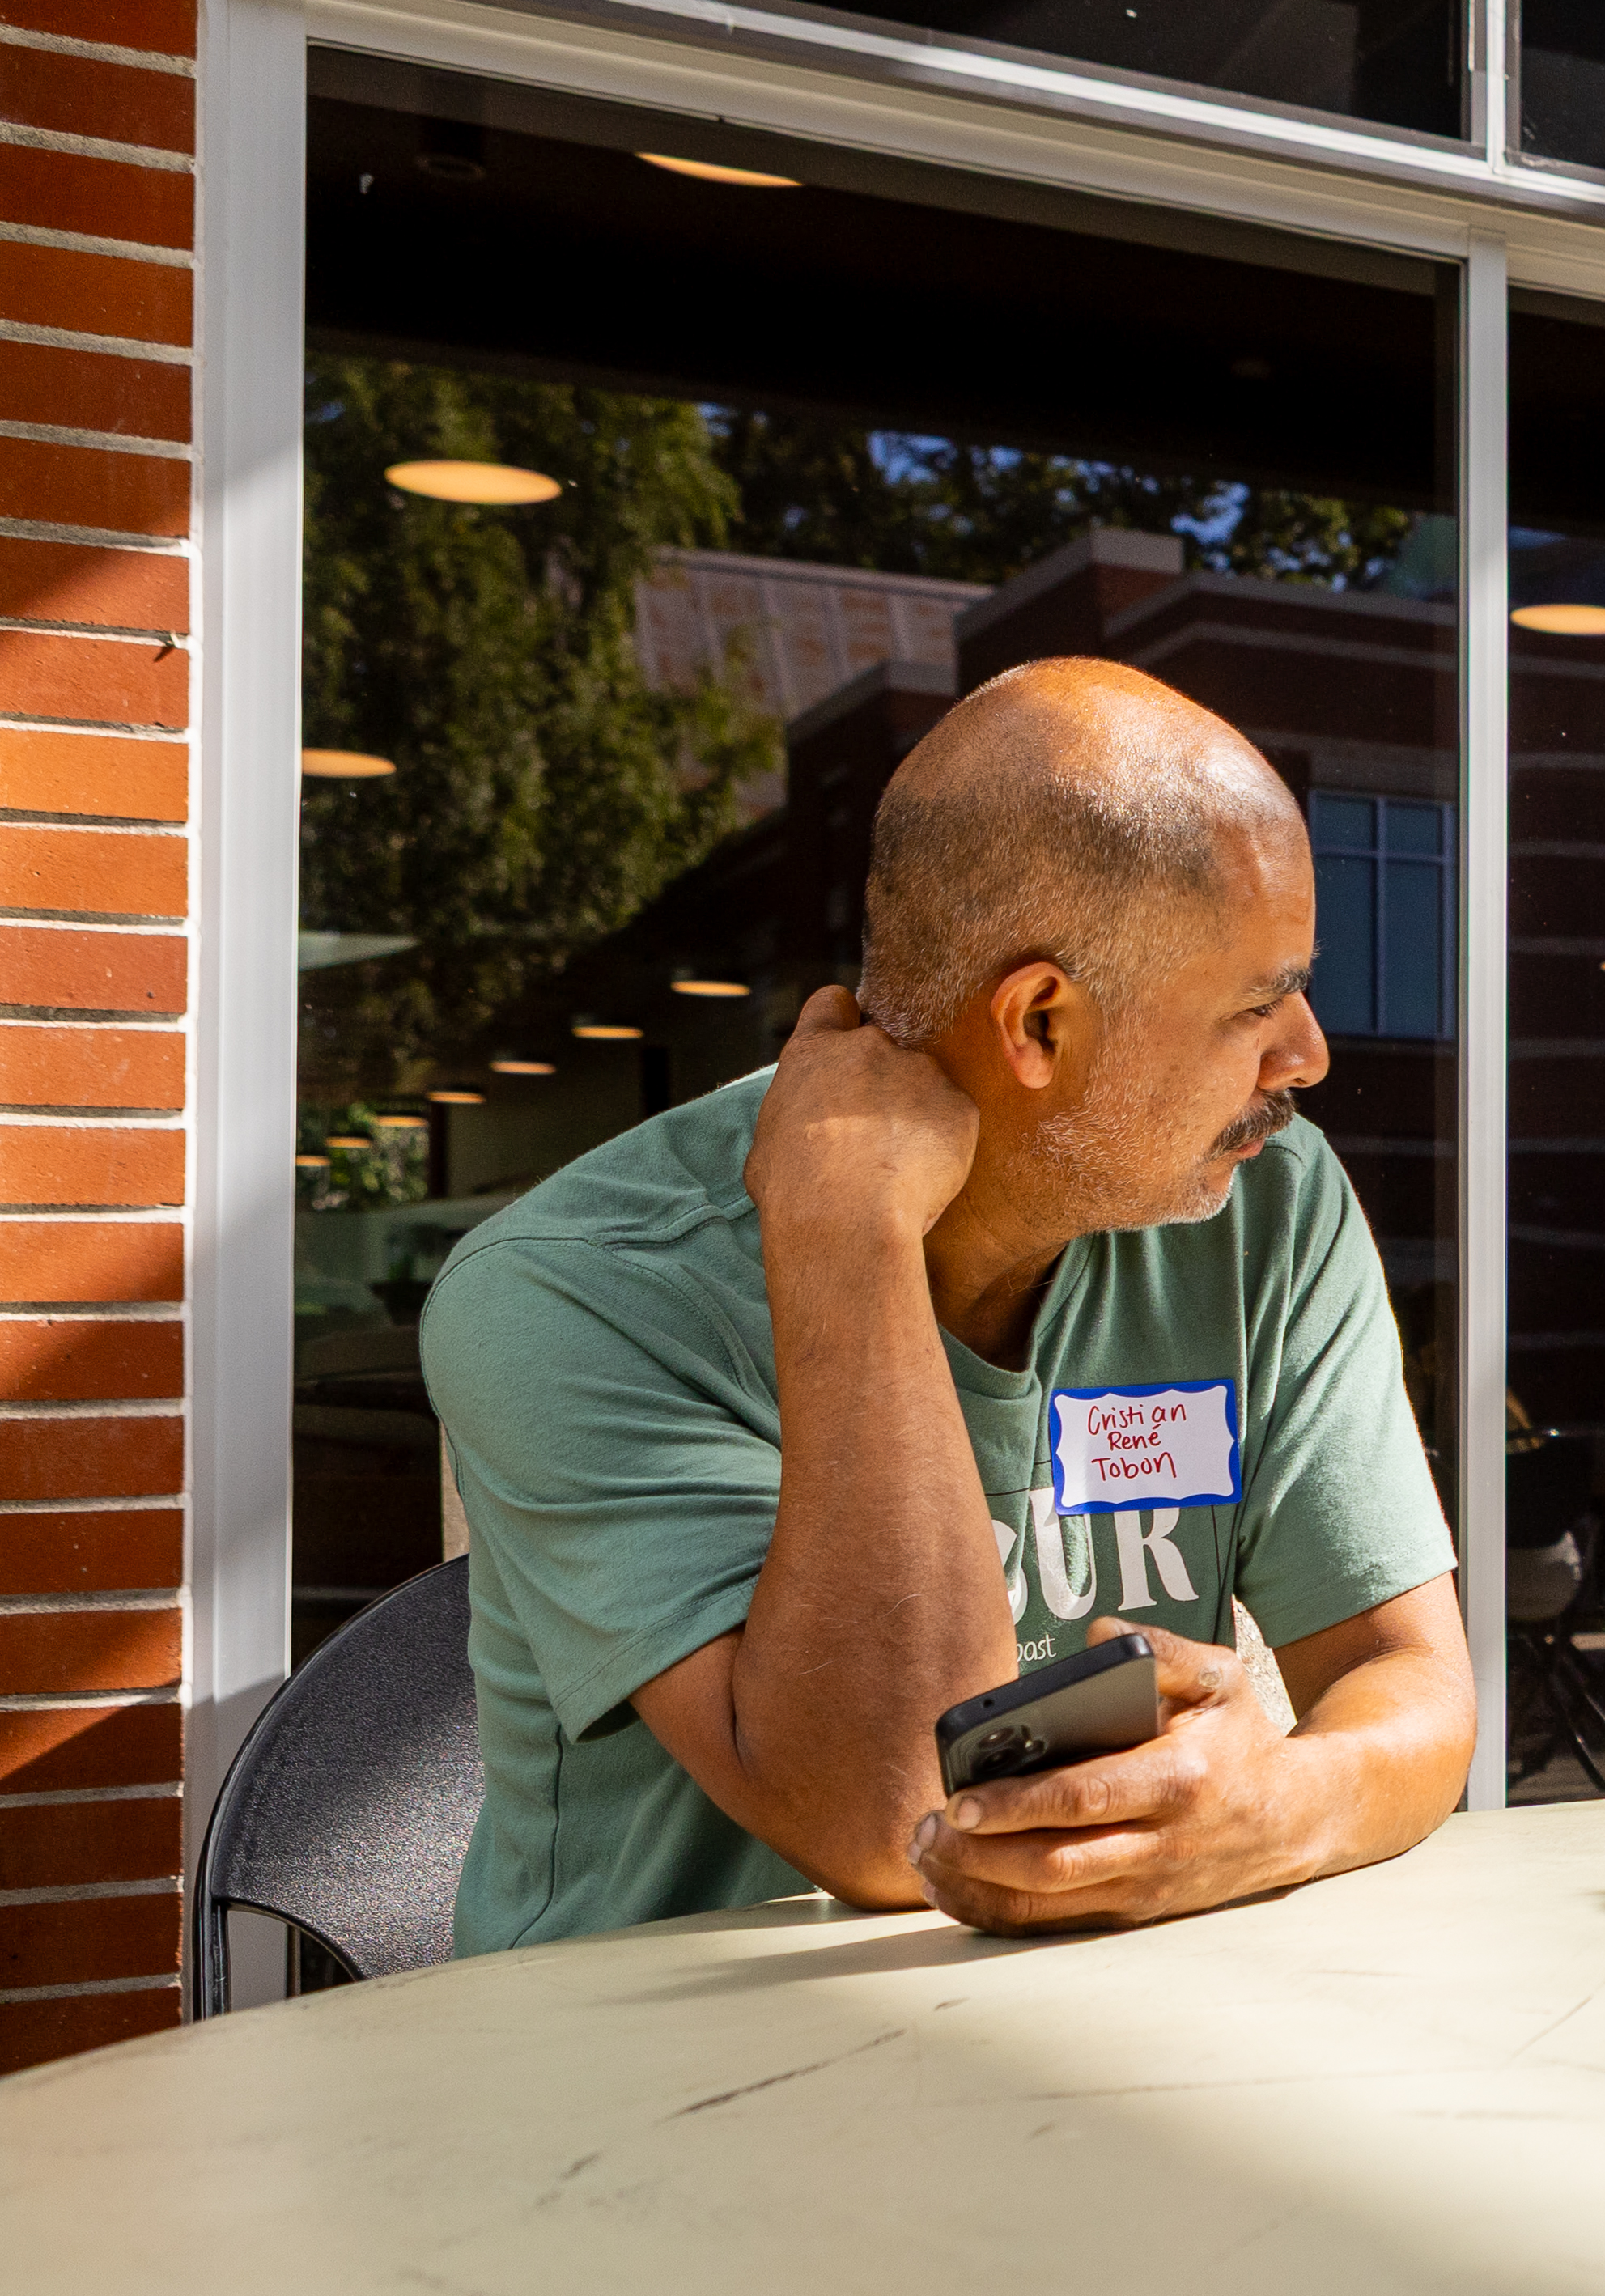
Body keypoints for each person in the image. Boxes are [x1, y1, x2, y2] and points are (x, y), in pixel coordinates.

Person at [427, 657, 1475, 1946]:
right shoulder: (567, 1292)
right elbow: (891, 1822)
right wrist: (848, 1242)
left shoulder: (1263, 1202)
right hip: (645, 2084)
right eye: (1258, 1006)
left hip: (1083, 2045)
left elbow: (1409, 1680)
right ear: (1038, 1022)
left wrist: (1277, 1808)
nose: (1307, 1056)